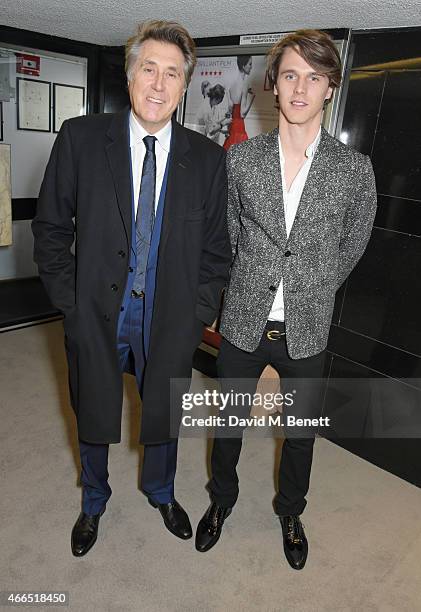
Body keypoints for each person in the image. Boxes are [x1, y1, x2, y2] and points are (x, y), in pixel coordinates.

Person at [32, 19, 231, 557]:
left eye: (172, 74)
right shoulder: (81, 137)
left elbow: (216, 251)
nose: (159, 85)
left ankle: (161, 491)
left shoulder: (209, 160)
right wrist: (67, 302)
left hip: (169, 316)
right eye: (150, 69)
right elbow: (50, 228)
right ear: (129, 75)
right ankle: (93, 499)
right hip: (95, 309)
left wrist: (198, 313)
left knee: (164, 410)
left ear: (185, 86)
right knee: (93, 405)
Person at [195, 29, 377, 570]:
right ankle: (221, 501)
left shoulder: (353, 170)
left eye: (314, 77)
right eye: (291, 74)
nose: (300, 87)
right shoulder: (242, 160)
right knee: (227, 425)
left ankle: (290, 512)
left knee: (299, 435)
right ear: (274, 85)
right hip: (244, 322)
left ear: (330, 88)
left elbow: (354, 242)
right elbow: (227, 235)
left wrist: (313, 287)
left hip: (307, 328)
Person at [223, 55, 255, 150]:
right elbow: (242, 114)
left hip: (232, 125)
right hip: (239, 125)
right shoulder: (244, 84)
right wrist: (252, 98)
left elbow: (230, 107)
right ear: (243, 66)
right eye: (250, 64)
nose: (251, 67)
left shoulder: (232, 83)